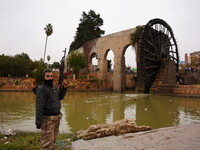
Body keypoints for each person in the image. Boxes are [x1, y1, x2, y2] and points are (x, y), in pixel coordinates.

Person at [35, 68, 68, 150]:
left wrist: (64, 88)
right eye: (48, 76)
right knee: (47, 144)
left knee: (52, 141)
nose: (50, 78)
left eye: (51, 76)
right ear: (44, 77)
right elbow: (39, 106)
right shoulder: (41, 89)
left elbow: (59, 97)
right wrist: (38, 122)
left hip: (56, 118)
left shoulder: (53, 87)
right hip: (47, 120)